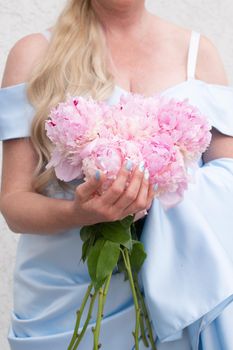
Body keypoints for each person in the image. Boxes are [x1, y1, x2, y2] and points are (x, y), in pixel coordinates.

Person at [0, 0, 233, 349]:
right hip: (64, 306)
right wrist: (77, 213)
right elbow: (13, 203)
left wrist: (164, 180)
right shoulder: (34, 54)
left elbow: (227, 183)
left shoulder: (199, 54)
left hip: (178, 303)